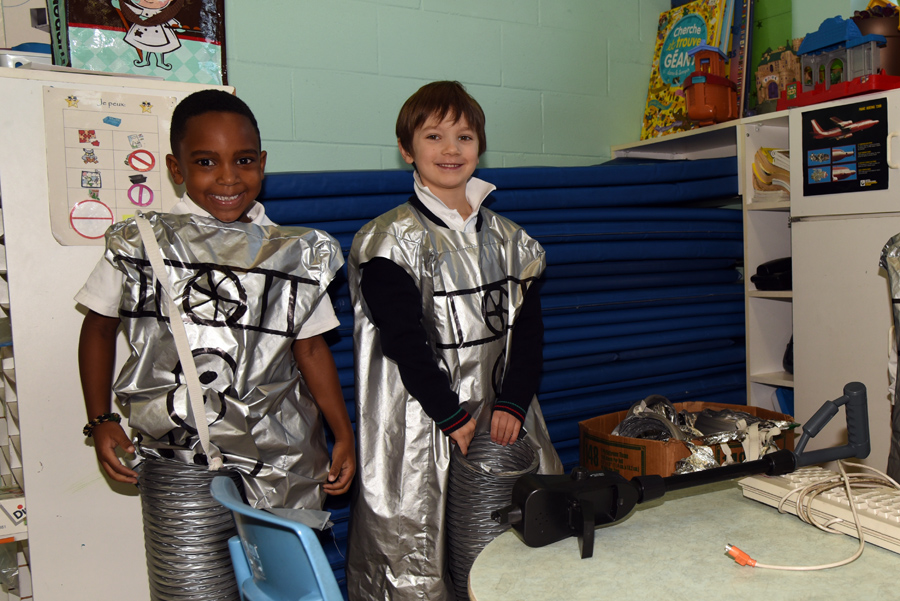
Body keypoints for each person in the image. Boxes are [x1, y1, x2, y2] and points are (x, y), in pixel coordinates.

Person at [76, 89, 355, 510]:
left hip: (281, 450)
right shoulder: (142, 243)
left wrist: (343, 434)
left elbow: (311, 348)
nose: (228, 177)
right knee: (192, 573)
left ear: (261, 164)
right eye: (206, 162)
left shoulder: (292, 255)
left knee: (279, 572)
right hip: (178, 453)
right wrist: (100, 420)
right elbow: (98, 327)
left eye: (243, 160)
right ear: (176, 168)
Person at [345, 81, 562, 601]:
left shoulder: (514, 241)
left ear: (479, 147)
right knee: (417, 557)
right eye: (434, 136)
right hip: (422, 429)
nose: (450, 150)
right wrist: (451, 415)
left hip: (504, 423)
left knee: (515, 545)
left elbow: (527, 333)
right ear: (407, 150)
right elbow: (403, 342)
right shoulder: (388, 241)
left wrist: (510, 403)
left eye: (464, 137)